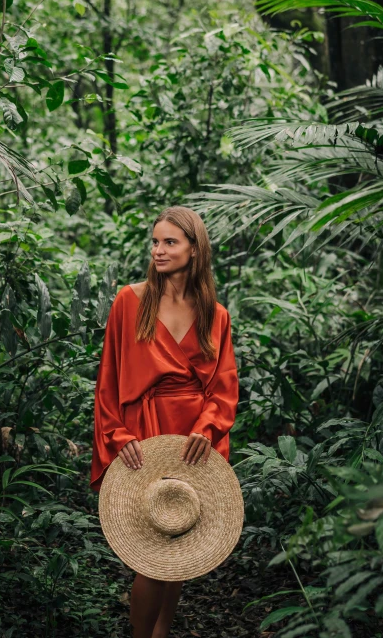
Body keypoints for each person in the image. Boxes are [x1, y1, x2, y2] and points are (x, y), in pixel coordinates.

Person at [90, 206, 239, 638]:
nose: (158, 250)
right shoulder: (129, 300)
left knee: (180, 539)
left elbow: (225, 387)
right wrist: (117, 435)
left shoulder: (216, 313)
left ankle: (162, 634)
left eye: (169, 242)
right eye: (155, 241)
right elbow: (109, 379)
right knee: (149, 553)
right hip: (143, 431)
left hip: (192, 436)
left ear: (195, 250)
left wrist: (208, 428)